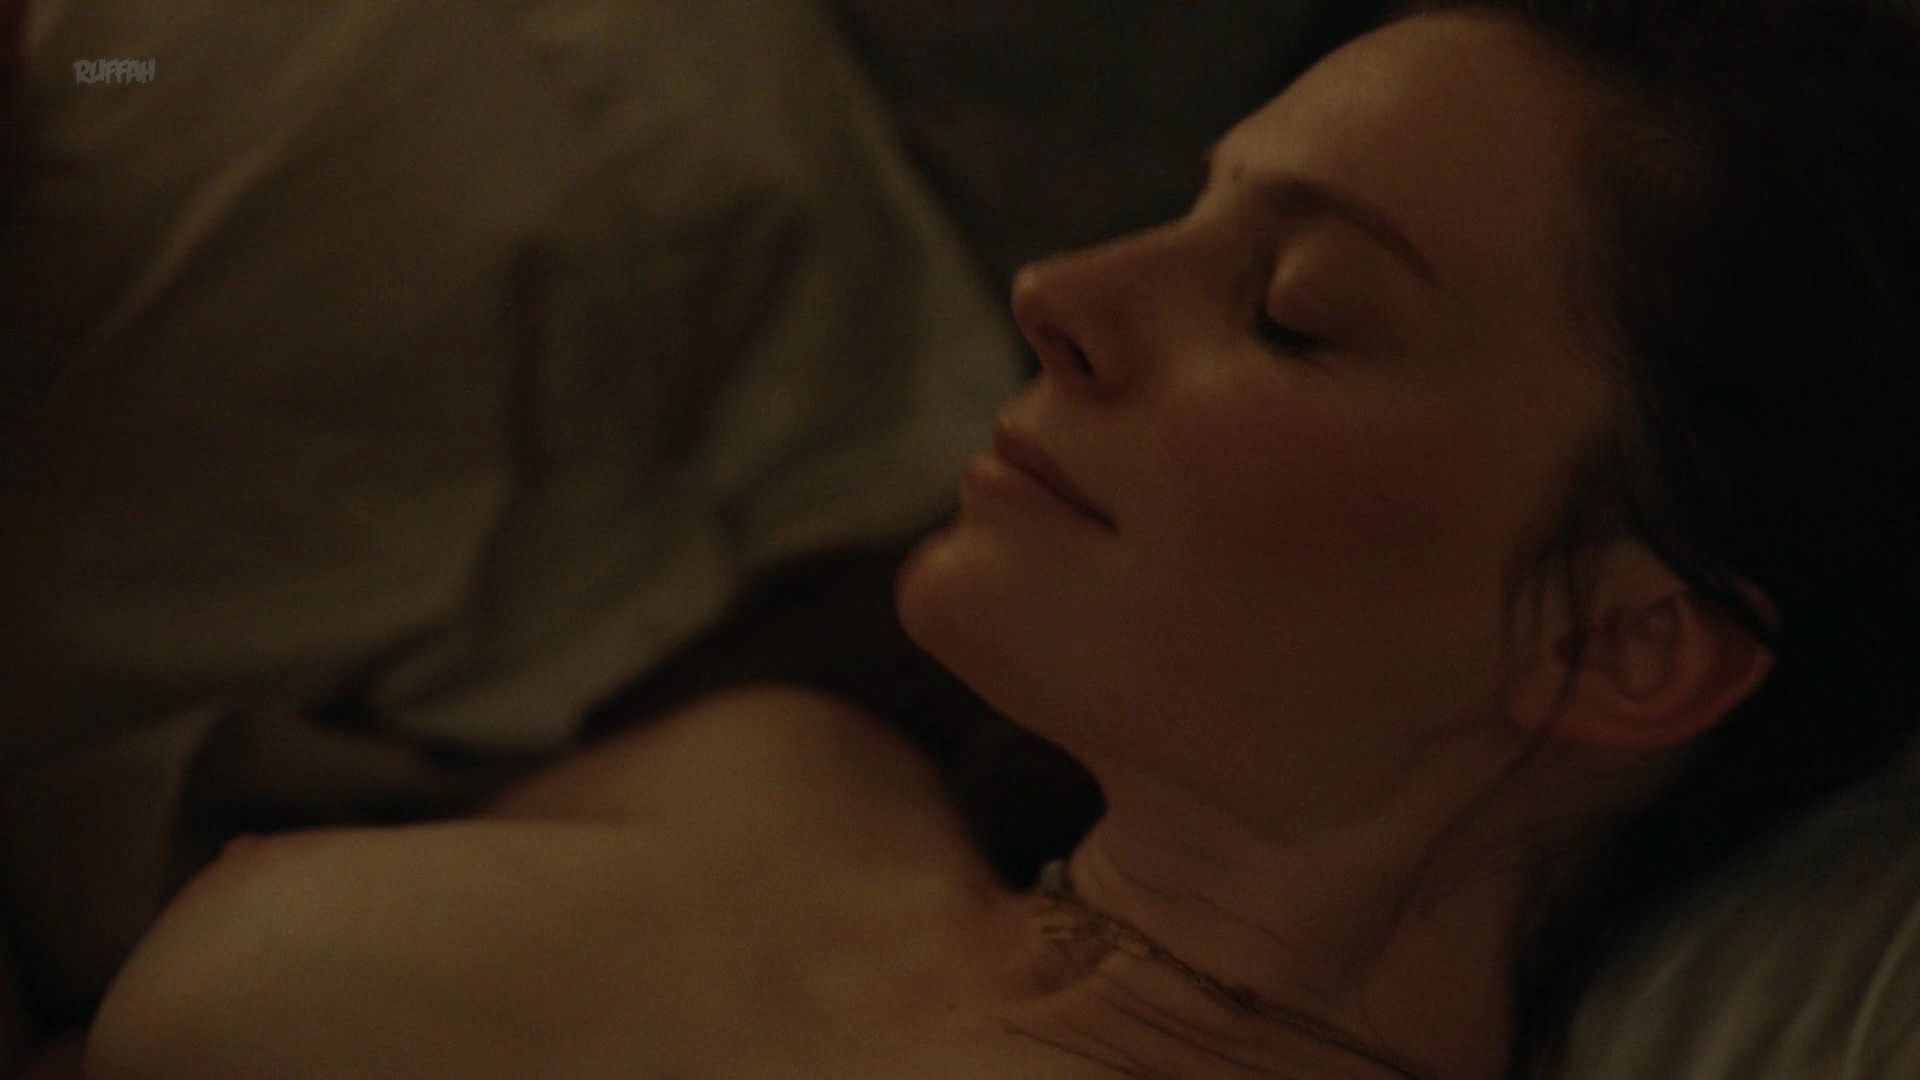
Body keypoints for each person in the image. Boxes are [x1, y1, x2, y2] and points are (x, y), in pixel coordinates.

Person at [71, 1, 1920, 1078]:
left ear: (1618, 644)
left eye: (1292, 311)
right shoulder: (812, 770)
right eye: (1183, 212)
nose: (1056, 292)